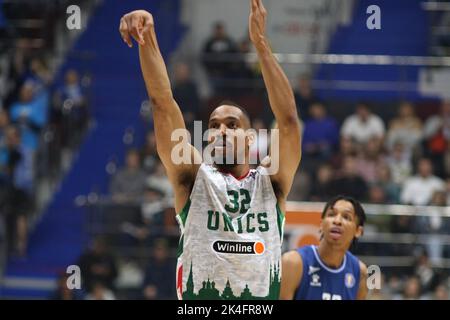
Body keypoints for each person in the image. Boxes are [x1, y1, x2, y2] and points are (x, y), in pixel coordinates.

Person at [119, 0, 301, 300]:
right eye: (214, 125)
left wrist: (261, 45)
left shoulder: (271, 180)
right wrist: (146, 37)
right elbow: (163, 104)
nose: (221, 131)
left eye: (232, 125)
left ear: (250, 139)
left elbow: (289, 121)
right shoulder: (192, 177)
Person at [280, 195, 368, 300]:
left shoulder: (360, 271)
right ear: (321, 225)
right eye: (331, 214)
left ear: (358, 231)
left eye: (346, 217)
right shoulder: (293, 262)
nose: (337, 221)